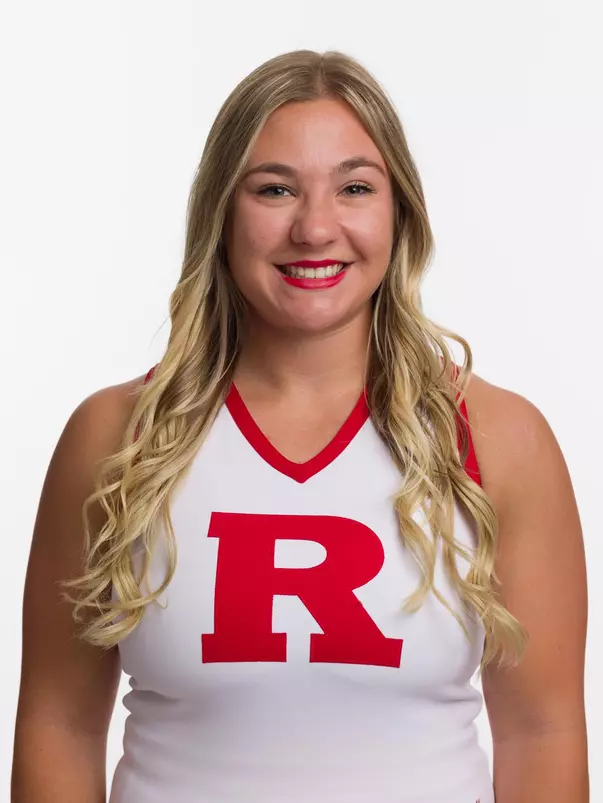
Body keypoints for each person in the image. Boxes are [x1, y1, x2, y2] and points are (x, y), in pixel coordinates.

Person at [12, 49, 588, 803]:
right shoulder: (116, 438)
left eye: (355, 188)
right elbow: (58, 724)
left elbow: (541, 732)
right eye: (274, 189)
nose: (315, 228)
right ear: (221, 212)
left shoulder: (496, 438)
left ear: (399, 212)